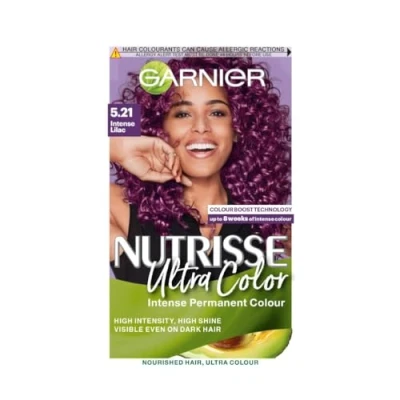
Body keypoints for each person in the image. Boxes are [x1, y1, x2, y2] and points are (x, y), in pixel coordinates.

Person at [110, 57, 291, 283]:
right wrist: (116, 147)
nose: (201, 127)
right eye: (182, 114)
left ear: (238, 128)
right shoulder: (118, 208)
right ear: (160, 127)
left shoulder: (268, 222)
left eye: (217, 113)